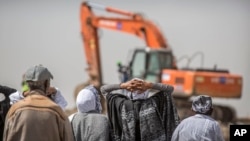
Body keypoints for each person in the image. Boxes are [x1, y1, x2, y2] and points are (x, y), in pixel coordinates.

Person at [3, 65, 74, 141]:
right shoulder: (57, 111)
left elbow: (7, 137)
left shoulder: (14, 110)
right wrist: (56, 91)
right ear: (47, 83)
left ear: (27, 84)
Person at [101, 78, 180, 141]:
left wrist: (123, 85)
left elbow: (104, 90)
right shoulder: (153, 103)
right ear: (146, 91)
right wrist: (150, 85)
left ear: (129, 91)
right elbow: (169, 89)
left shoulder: (122, 105)